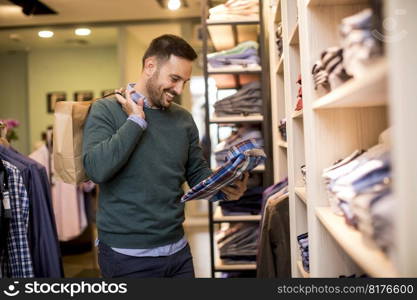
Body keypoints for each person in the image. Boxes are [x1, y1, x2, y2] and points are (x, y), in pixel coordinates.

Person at [82, 34, 249, 278]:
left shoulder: (183, 119)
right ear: (150, 66)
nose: (179, 89)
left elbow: (196, 173)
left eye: (185, 81)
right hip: (126, 256)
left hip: (178, 252)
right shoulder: (106, 109)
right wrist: (136, 121)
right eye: (174, 78)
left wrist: (223, 188)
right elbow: (96, 169)